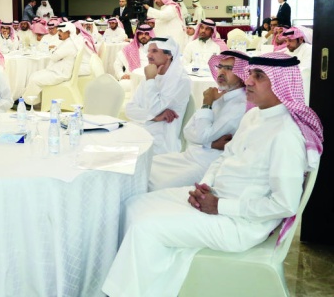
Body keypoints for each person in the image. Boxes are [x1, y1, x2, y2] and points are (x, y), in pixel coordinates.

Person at [102, 52, 323, 297]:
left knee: (145, 229)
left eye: (259, 76)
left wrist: (220, 206)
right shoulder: (253, 115)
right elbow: (225, 157)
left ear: (282, 84)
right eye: (250, 73)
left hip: (241, 223)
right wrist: (205, 185)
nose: (249, 80)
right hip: (215, 198)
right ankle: (140, 286)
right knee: (132, 205)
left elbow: (285, 204)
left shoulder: (286, 135)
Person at [148, 51, 249, 191]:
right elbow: (188, 131)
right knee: (144, 166)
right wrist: (210, 143)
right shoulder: (219, 96)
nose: (221, 72)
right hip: (189, 155)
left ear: (242, 75)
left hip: (207, 165)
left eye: (229, 68)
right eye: (220, 67)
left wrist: (207, 103)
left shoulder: (240, 105)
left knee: (154, 185)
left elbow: (201, 135)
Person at [125, 37, 191, 155]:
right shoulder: (150, 74)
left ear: (169, 55)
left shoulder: (181, 80)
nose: (148, 55)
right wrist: (154, 117)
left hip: (161, 139)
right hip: (140, 128)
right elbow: (129, 109)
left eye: (154, 51)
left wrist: (151, 80)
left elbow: (154, 109)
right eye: (148, 51)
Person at [23, 22, 79, 105]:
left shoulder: (69, 44)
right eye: (59, 31)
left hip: (60, 74)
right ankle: (31, 100)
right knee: (33, 75)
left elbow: (54, 57)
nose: (58, 33)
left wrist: (53, 51)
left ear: (68, 32)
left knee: (35, 79)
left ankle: (27, 103)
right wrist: (54, 51)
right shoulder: (67, 42)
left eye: (61, 31)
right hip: (57, 71)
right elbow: (55, 54)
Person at [113, 24, 155, 90]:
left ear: (151, 35)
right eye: (140, 34)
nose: (143, 36)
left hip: (152, 80)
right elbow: (117, 64)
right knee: (122, 85)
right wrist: (121, 75)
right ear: (137, 35)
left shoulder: (157, 49)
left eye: (146, 34)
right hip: (132, 79)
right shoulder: (129, 49)